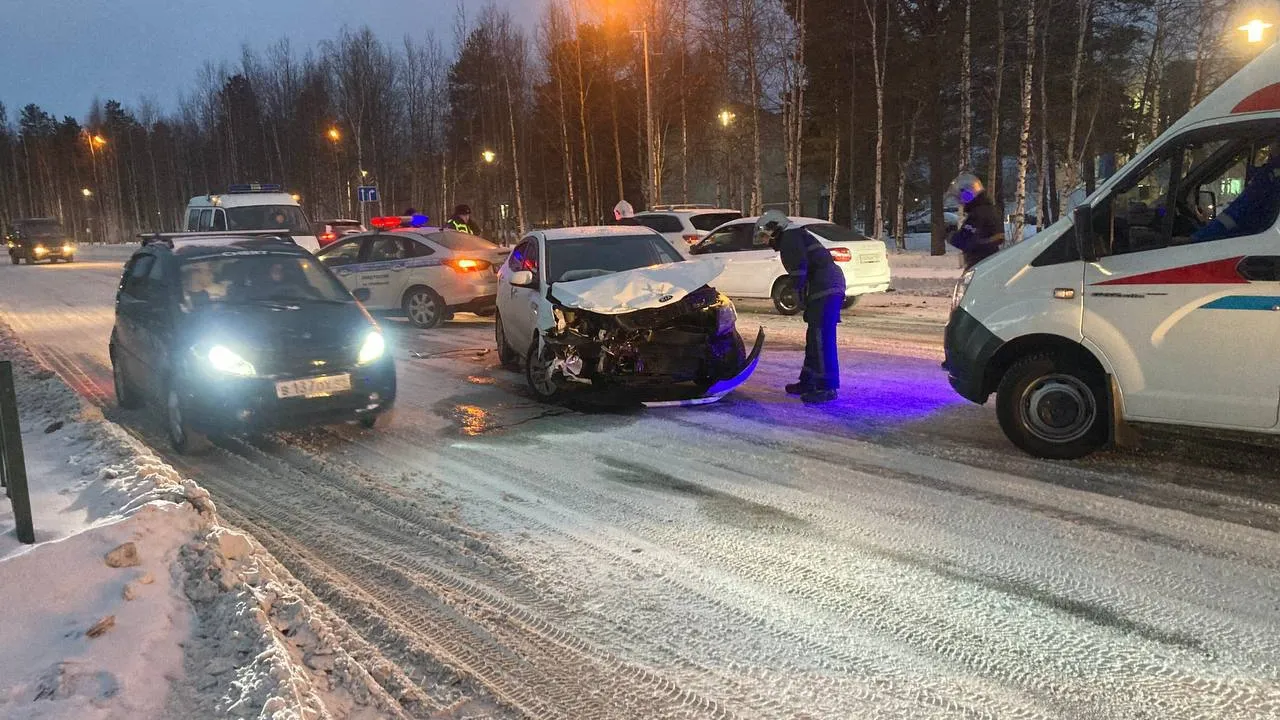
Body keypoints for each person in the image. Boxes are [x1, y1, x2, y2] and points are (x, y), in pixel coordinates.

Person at [757, 210, 845, 404]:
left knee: (822, 339)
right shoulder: (793, 236)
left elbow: (799, 269)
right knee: (814, 338)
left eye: (764, 235)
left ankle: (827, 387)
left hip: (825, 288)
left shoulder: (790, 237)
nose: (765, 241)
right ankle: (808, 381)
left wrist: (791, 289)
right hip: (824, 288)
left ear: (775, 228)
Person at [946, 173, 1005, 269]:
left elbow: (965, 240)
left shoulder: (977, 214)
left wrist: (949, 235)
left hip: (979, 264)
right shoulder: (989, 210)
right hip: (989, 262)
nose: (961, 202)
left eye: (962, 198)